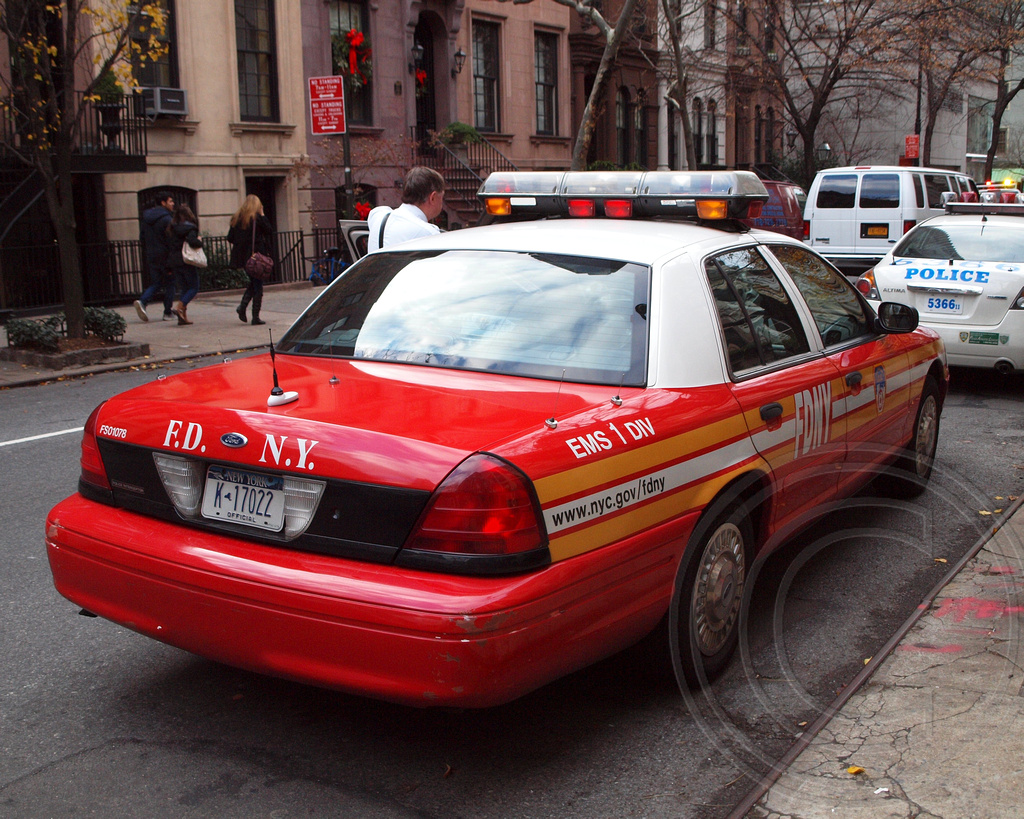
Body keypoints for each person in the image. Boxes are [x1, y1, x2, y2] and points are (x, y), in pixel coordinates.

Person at [366, 166, 445, 252]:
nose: (442, 202)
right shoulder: (429, 234)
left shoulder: (378, 216)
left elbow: (376, 213)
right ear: (432, 198)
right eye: (441, 197)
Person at [227, 194, 275, 326]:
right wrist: (263, 214)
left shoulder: (237, 219)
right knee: (258, 286)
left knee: (254, 283)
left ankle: (242, 307)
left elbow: (230, 238)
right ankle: (254, 316)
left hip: (243, 257)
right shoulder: (257, 219)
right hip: (256, 257)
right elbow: (269, 230)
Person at [134, 191, 175, 322]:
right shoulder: (167, 219)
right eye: (170, 201)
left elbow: (142, 238)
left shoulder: (146, 219)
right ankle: (168, 312)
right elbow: (171, 240)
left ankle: (143, 301)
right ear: (163, 203)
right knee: (170, 283)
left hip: (151, 254)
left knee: (156, 282)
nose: (173, 204)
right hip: (165, 255)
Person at [165, 204, 204, 326]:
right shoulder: (190, 228)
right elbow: (193, 242)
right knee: (194, 287)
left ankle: (182, 317)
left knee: (184, 288)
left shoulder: (172, 228)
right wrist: (200, 241)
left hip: (175, 261)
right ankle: (180, 307)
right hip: (186, 260)